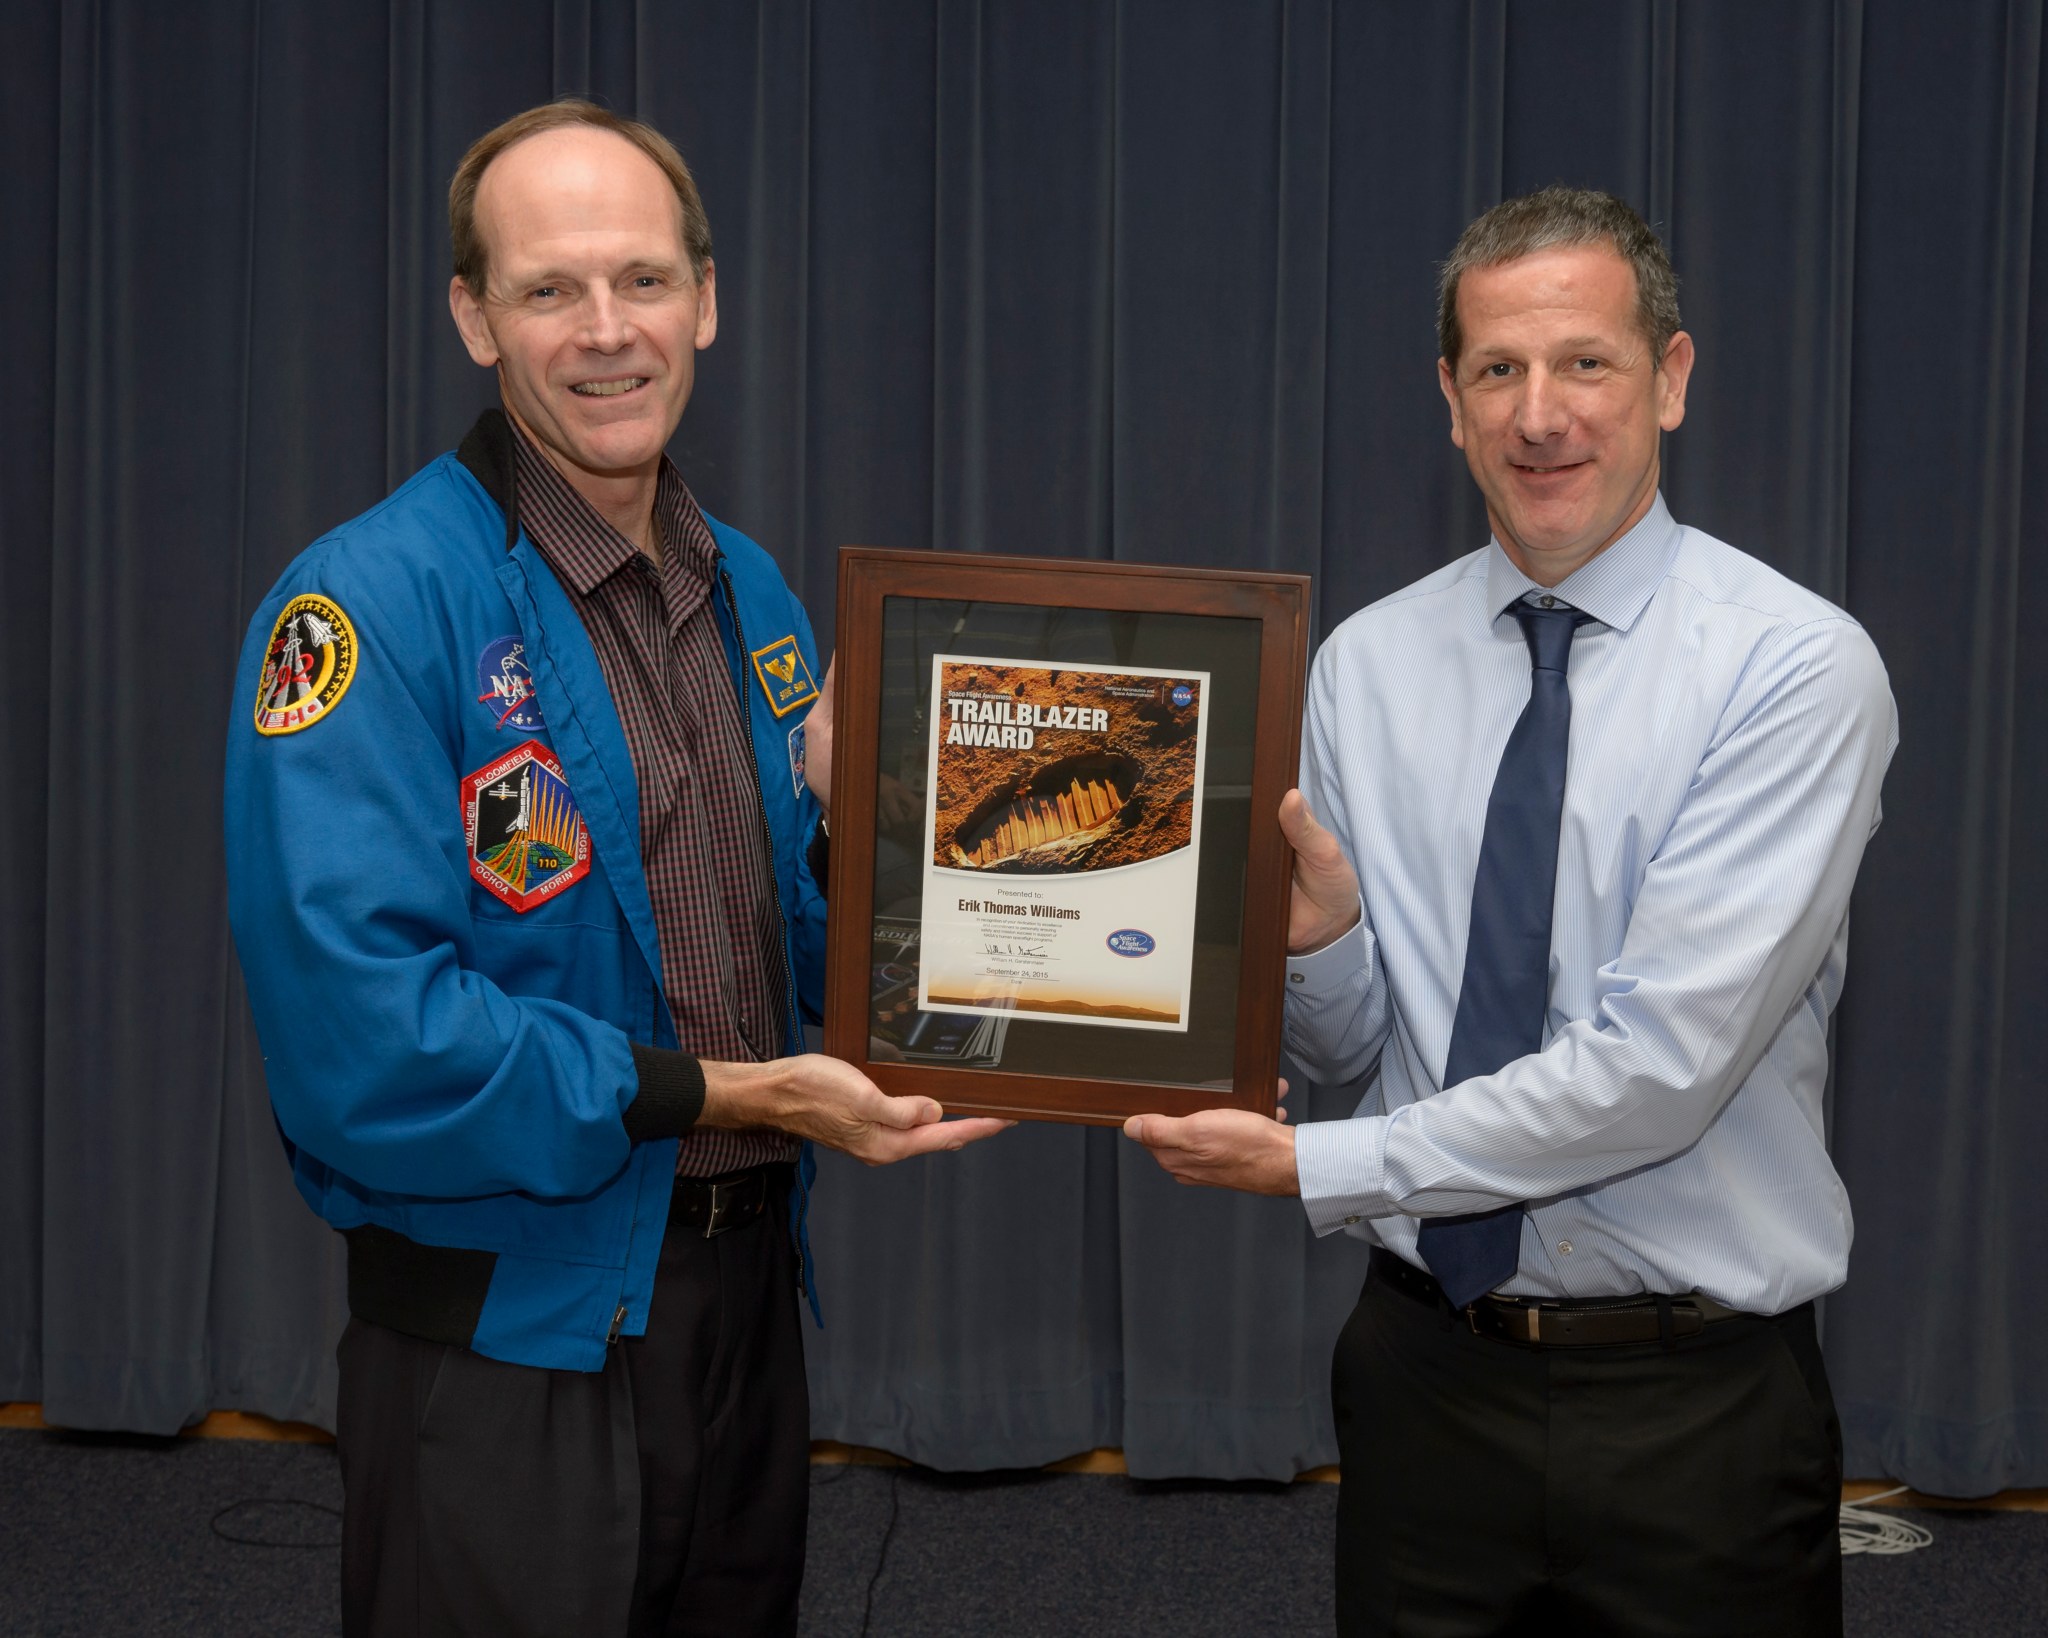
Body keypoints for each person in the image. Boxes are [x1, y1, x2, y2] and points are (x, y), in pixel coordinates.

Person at [224, 100, 1006, 1637]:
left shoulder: (754, 595)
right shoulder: (362, 610)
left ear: (705, 300)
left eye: (643, 281)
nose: (606, 333)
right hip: (503, 1342)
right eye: (547, 289)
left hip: (737, 1316)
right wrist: (732, 1093)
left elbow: (796, 940)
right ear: (472, 317)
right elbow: (364, 1040)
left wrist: (868, 846)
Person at [1124, 188, 1896, 1635]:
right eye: (1499, 370)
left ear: (1670, 378)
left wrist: (1316, 1164)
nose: (1542, 415)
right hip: (1427, 1379)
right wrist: (1322, 948)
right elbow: (1361, 1043)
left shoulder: (1792, 670)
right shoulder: (1364, 664)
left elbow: (1655, 1074)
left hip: (1696, 1408)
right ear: (1450, 398)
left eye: (1586, 364)